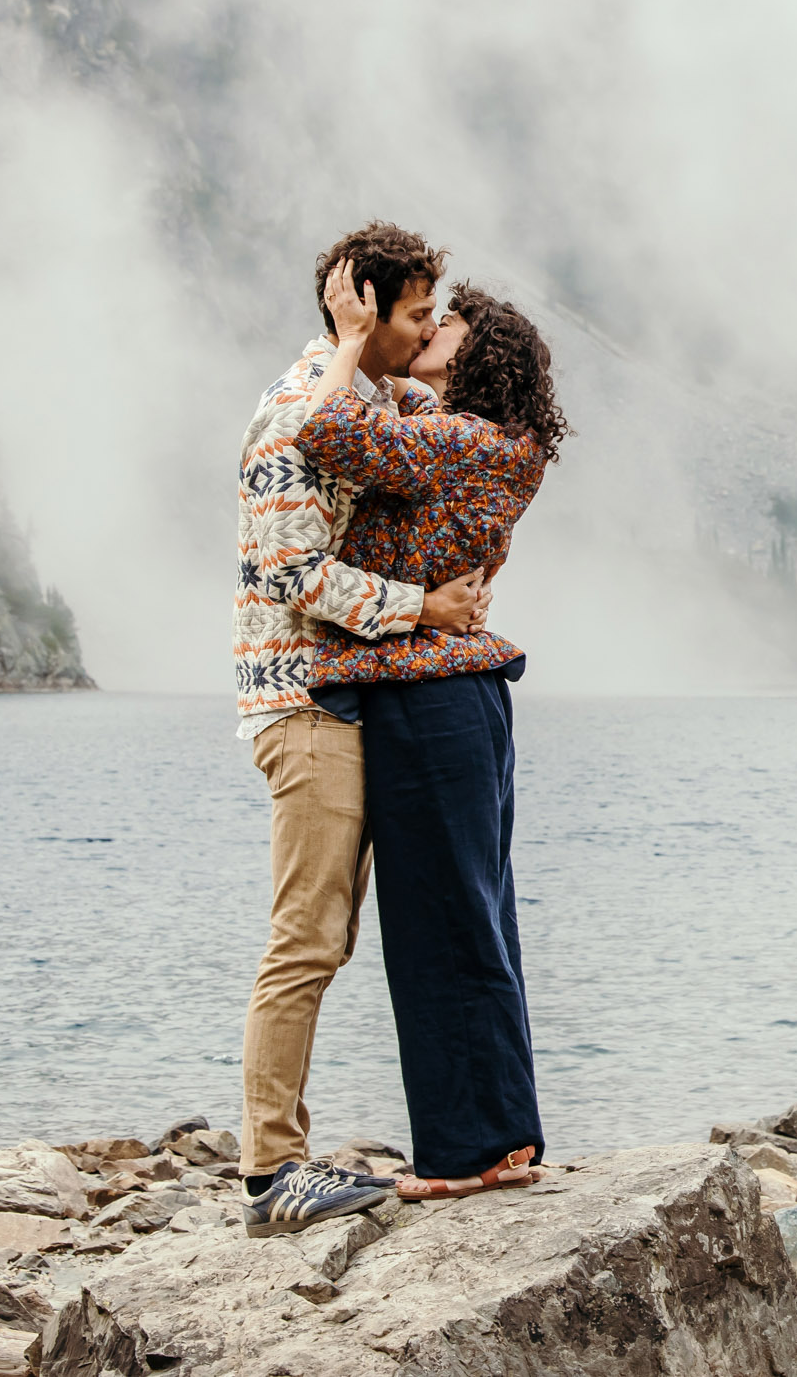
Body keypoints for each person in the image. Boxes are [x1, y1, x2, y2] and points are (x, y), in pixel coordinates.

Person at [232, 222, 491, 1237]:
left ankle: (287, 1153)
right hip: (303, 700)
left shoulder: (381, 401)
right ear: (365, 308)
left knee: (331, 936)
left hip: (345, 698)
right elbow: (292, 571)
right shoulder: (295, 407)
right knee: (306, 935)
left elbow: (458, 422)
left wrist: (436, 352)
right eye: (416, 311)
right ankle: (269, 1168)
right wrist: (422, 609)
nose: (428, 327)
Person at [293, 271, 570, 1200]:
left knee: (436, 924)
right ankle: (504, 1136)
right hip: (466, 695)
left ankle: (463, 1154)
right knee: (479, 915)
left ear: (476, 352)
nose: (429, 328)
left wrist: (347, 338)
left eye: (444, 322)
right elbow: (401, 411)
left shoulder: (460, 441)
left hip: (427, 695)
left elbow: (328, 432)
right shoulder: (494, 440)